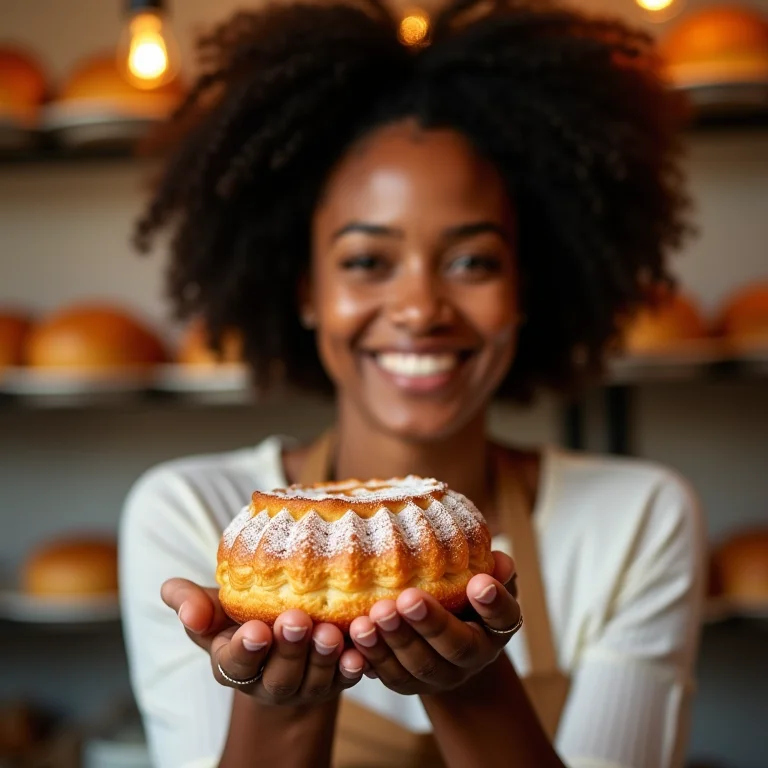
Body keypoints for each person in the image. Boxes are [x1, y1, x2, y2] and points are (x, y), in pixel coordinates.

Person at [120, 1, 706, 766]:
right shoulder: (197, 518)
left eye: (472, 261)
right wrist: (281, 708)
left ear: (526, 288)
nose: (421, 309)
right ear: (304, 290)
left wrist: (473, 685)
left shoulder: (638, 521)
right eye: (367, 261)